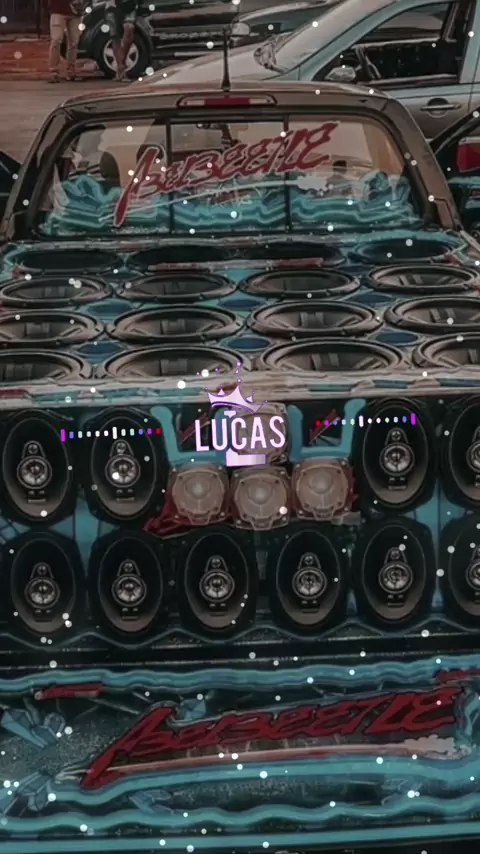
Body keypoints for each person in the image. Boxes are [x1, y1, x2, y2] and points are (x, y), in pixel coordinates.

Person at [48, 0, 84, 83]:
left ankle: (71, 72)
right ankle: (54, 72)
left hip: (75, 12)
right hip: (58, 10)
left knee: (74, 42)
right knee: (56, 40)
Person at [104, 0, 138, 83]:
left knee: (129, 29)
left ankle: (121, 63)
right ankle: (121, 68)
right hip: (111, 6)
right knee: (115, 37)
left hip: (129, 5)